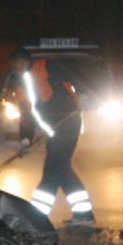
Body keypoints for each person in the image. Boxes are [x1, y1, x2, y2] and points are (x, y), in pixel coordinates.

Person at [23, 55, 95, 225]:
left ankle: (37, 217)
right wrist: (26, 139)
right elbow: (28, 113)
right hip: (56, 129)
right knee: (62, 169)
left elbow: (73, 79)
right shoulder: (26, 77)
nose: (14, 68)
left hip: (66, 124)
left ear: (23, 60)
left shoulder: (46, 66)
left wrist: (83, 96)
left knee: (52, 170)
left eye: (15, 64)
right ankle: (84, 214)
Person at [1, 48, 38, 145]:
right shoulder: (11, 76)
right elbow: (4, 92)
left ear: (27, 62)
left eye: (20, 63)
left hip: (40, 107)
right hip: (20, 107)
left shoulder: (35, 74)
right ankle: (22, 142)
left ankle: (26, 140)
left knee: (28, 116)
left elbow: (36, 95)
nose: (16, 66)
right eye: (14, 63)